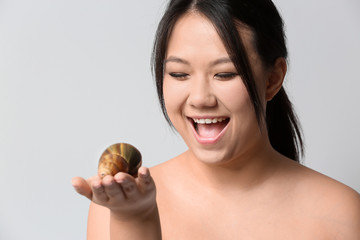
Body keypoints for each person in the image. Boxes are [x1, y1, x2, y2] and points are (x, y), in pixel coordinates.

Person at [72, 0, 360, 239]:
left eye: (224, 74)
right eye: (179, 74)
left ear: (272, 79)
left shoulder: (343, 214)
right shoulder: (118, 203)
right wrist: (136, 219)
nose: (200, 98)